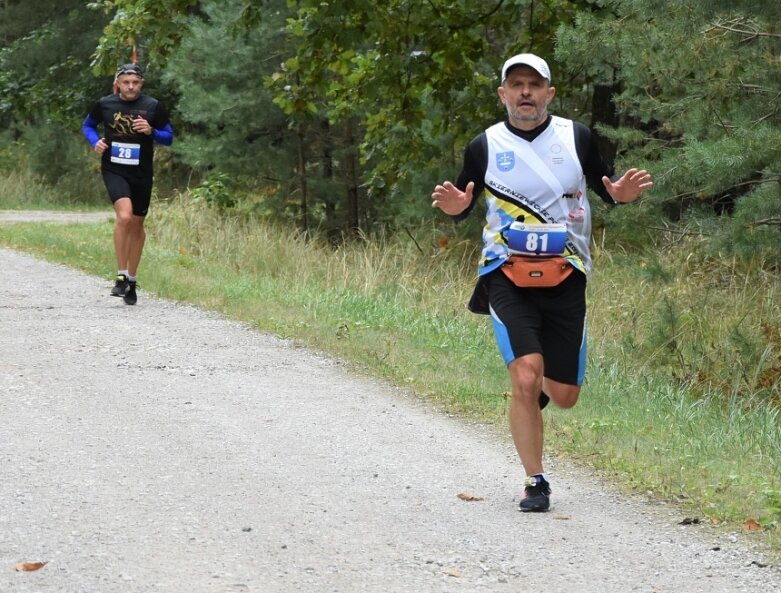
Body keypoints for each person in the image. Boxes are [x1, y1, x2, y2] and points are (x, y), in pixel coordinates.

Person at [431, 53, 652, 512]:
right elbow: (464, 203)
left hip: (567, 274)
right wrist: (455, 208)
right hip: (505, 274)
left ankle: (531, 397)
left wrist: (622, 197)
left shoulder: (578, 137)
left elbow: (607, 189)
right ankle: (536, 481)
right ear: (503, 94)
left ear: (549, 93)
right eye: (517, 85)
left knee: (565, 396)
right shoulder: (484, 146)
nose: (525, 92)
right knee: (526, 374)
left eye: (535, 84)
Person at [82, 63, 174, 305]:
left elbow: (169, 137)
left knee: (136, 223)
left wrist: (151, 131)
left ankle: (132, 280)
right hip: (114, 168)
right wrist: (95, 142)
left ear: (141, 84)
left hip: (141, 172)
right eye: (126, 82)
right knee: (124, 217)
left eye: (135, 82)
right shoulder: (105, 104)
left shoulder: (153, 106)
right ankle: (121, 275)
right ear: (118, 83)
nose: (131, 86)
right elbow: (88, 125)